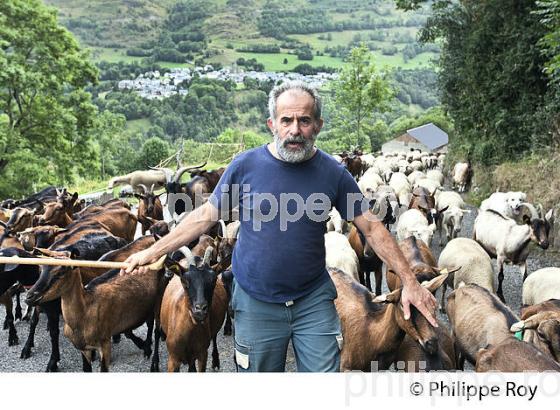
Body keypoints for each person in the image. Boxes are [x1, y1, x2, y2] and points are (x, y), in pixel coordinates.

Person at [122, 80, 438, 372]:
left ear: (318, 125)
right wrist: (153, 251)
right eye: (286, 121)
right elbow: (205, 215)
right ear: (273, 125)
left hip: (313, 298)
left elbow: (372, 228)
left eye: (304, 120)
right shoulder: (245, 167)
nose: (295, 130)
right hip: (256, 301)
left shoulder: (333, 173)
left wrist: (410, 282)